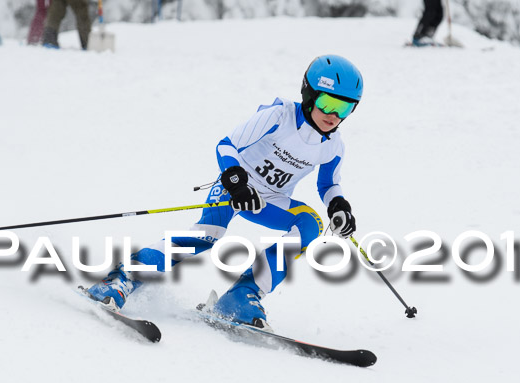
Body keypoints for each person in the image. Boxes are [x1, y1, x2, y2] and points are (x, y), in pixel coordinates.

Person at [83, 55, 363, 332]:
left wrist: (338, 206)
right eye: (328, 103)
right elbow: (227, 145)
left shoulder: (333, 146)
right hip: (234, 187)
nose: (333, 115)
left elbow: (327, 185)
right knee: (207, 236)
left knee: (310, 224)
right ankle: (121, 279)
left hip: (270, 200)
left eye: (345, 108)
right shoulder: (279, 116)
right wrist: (236, 183)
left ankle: (241, 297)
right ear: (310, 95)